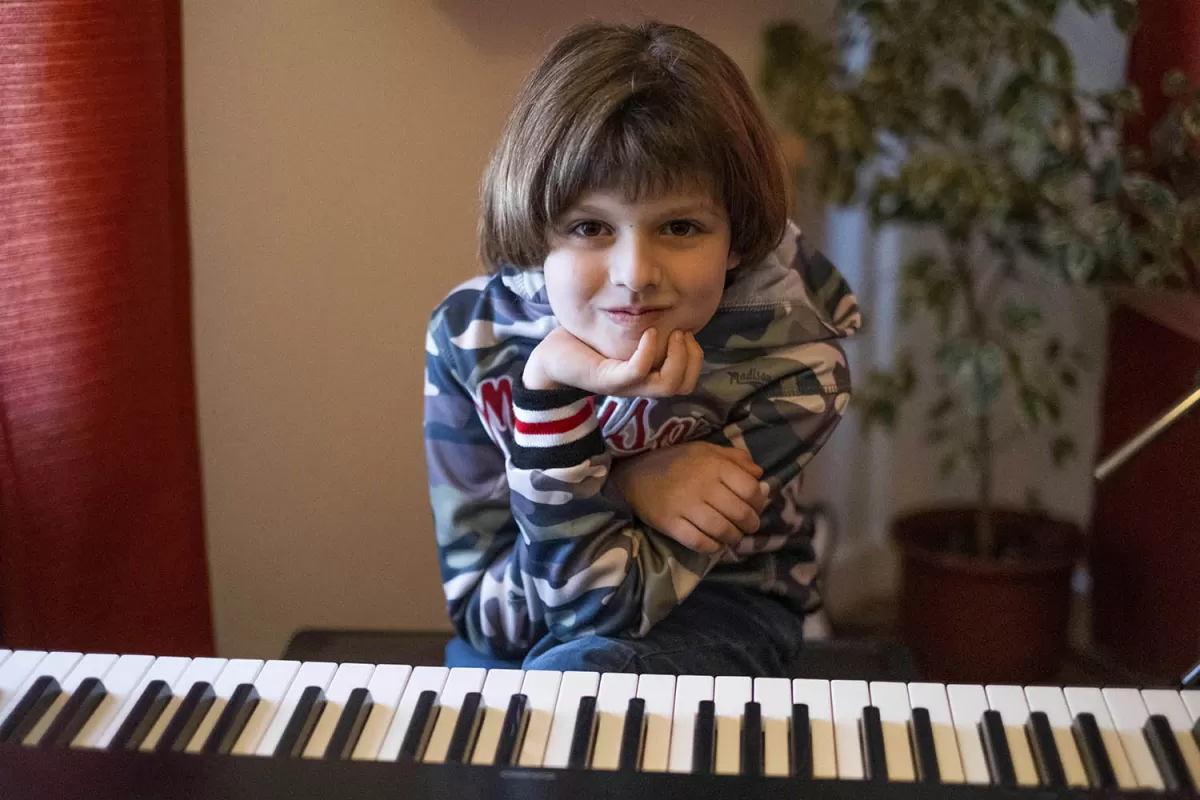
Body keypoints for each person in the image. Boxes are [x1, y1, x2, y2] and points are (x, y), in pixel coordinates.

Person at [423, 20, 860, 676]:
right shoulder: (470, 339)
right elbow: (484, 614)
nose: (635, 273)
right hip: (524, 620)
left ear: (738, 236)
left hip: (725, 606)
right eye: (590, 226)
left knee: (570, 690)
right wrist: (610, 465)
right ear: (539, 227)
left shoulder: (796, 370)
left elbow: (601, 610)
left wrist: (560, 440)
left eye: (680, 226)